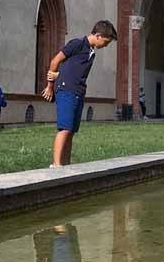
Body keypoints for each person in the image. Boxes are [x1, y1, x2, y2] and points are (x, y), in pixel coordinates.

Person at [42, 20, 117, 167]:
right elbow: (55, 61)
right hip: (66, 91)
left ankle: (66, 164)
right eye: (106, 42)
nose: (106, 45)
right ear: (98, 35)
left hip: (78, 92)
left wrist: (60, 75)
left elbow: (71, 69)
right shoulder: (77, 44)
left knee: (71, 131)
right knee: (65, 128)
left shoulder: (91, 52)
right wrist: (50, 86)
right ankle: (56, 165)